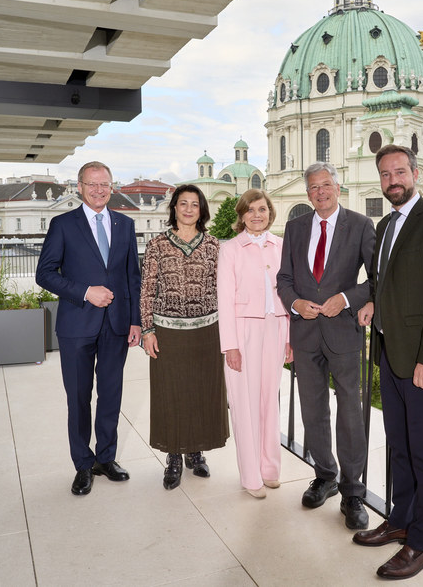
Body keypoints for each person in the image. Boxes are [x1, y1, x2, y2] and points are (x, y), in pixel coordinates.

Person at [353, 145, 423, 580]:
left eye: (399, 171)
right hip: (390, 357)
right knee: (400, 448)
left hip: (422, 365)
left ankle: (421, 545)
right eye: (385, 174)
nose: (392, 180)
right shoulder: (384, 225)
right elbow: (384, 280)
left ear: (415, 174)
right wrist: (373, 305)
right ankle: (400, 521)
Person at [276, 163, 375, 527]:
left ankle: (353, 493)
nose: (321, 192)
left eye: (327, 185)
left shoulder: (361, 225)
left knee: (350, 411)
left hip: (343, 332)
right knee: (311, 409)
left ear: (338, 187)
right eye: (314, 187)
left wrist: (349, 299)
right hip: (305, 333)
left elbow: (377, 277)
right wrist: (295, 304)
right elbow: (284, 279)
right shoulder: (295, 227)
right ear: (308, 194)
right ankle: (325, 476)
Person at [36, 161, 141, 495]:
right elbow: (45, 273)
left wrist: (136, 319)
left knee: (111, 395)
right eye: (92, 184)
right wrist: (85, 291)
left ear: (112, 187)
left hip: (117, 325)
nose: (99, 190)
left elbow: (132, 277)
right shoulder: (63, 224)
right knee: (79, 398)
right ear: (79, 186)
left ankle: (105, 459)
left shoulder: (125, 224)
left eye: (105, 184)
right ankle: (83, 464)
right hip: (77, 325)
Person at [140, 185, 228, 490]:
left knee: (203, 393)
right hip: (168, 332)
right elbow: (148, 289)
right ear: (174, 208)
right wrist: (147, 330)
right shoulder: (156, 245)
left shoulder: (215, 245)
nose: (189, 209)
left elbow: (225, 292)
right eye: (183, 204)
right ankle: (174, 456)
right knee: (172, 392)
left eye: (194, 204)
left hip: (207, 331)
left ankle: (196, 451)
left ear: (202, 210)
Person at [217, 189, 292, 498]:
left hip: (276, 327)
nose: (257, 215)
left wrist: (289, 338)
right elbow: (224, 298)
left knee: (268, 402)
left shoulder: (282, 246)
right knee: (245, 406)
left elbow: (289, 293)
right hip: (243, 331)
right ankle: (251, 477)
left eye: (262, 209)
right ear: (242, 215)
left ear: (270, 213)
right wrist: (230, 345)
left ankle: (270, 468)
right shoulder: (231, 249)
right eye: (250, 210)